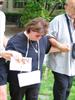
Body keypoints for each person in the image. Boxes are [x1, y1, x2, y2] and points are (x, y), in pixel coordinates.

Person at [5, 17, 70, 100]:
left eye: (42, 36)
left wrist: (62, 49)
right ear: (30, 29)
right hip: (18, 81)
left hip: (35, 79)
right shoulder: (15, 41)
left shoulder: (42, 39)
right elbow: (6, 58)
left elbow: (46, 49)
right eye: (37, 35)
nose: (39, 38)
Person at [46, 0, 75, 100]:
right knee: (61, 86)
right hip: (60, 61)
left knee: (68, 87)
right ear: (66, 7)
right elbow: (48, 36)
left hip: (72, 63)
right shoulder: (58, 20)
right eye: (73, 7)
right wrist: (59, 45)